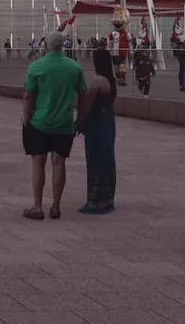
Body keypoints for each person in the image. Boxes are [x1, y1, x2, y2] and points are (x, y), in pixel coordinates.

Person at [22, 31, 87, 220]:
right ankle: (56, 206)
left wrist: (26, 119)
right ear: (63, 46)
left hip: (39, 122)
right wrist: (80, 119)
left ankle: (37, 207)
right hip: (64, 123)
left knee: (38, 162)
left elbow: (28, 95)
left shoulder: (36, 66)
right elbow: (83, 94)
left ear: (46, 46)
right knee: (59, 162)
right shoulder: (74, 67)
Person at [76, 48, 117, 214]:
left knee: (95, 159)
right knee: (107, 159)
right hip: (108, 121)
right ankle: (107, 198)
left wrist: (79, 123)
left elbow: (87, 105)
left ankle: (95, 200)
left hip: (96, 124)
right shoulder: (111, 80)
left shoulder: (97, 81)